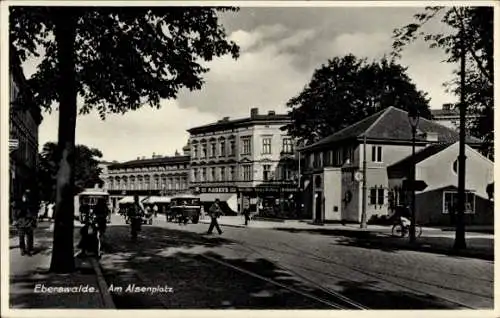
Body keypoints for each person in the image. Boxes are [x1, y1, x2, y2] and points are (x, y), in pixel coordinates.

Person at [14, 189, 37, 256]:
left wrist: (34, 220)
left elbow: (33, 214)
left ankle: (29, 249)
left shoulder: (31, 204)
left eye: (26, 196)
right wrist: (15, 220)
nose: (25, 198)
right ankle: (22, 249)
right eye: (24, 197)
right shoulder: (19, 204)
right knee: (21, 237)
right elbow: (15, 213)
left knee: (29, 237)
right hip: (21, 223)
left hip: (28, 223)